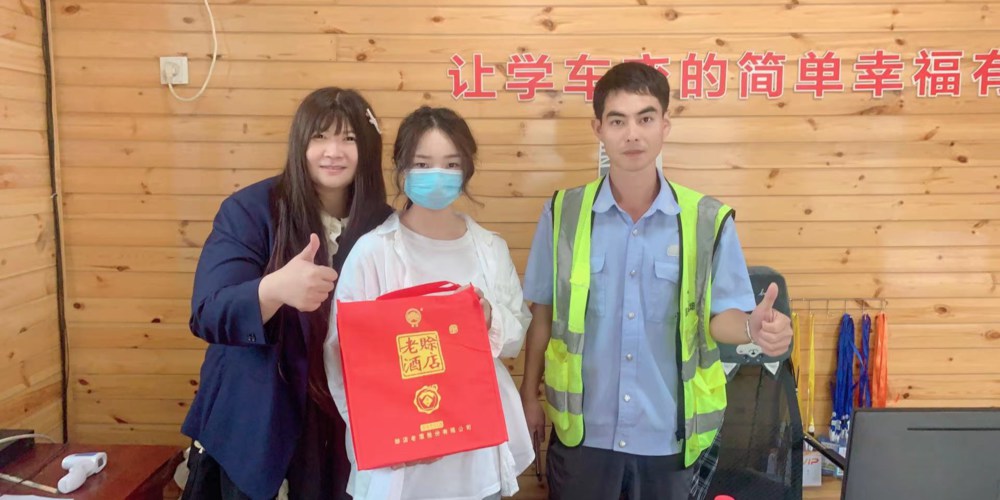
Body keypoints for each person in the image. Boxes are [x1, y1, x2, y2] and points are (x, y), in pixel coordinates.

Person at [518, 62, 794, 500]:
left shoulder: (706, 220)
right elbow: (543, 313)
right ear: (598, 129)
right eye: (617, 121)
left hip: (670, 440)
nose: (632, 134)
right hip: (583, 438)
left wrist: (751, 327)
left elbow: (720, 318)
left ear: (665, 125)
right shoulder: (563, 214)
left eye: (645, 119)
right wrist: (528, 395)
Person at [180, 87, 394, 500]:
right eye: (320, 137)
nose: (333, 152)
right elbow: (208, 312)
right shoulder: (251, 209)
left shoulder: (385, 225)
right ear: (300, 143)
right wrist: (273, 289)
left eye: (349, 138)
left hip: (348, 421)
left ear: (367, 147)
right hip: (259, 420)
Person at [324, 106, 534, 500]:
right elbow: (341, 356)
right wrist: (376, 431)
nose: (437, 175)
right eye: (423, 164)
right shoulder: (373, 252)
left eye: (451, 164)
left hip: (475, 455)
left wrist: (489, 316)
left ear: (467, 169)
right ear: (402, 168)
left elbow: (514, 339)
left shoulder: (490, 249)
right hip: (402, 460)